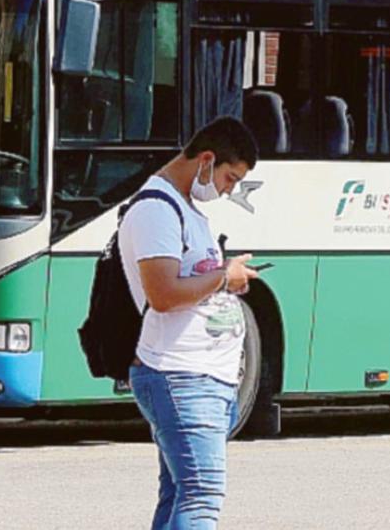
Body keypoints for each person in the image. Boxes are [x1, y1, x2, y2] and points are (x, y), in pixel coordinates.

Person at [119, 117, 262, 529]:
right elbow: (163, 295)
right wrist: (223, 277)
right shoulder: (156, 210)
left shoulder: (183, 208)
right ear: (206, 160)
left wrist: (225, 280)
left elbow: (187, 283)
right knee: (201, 495)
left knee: (181, 493)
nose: (229, 190)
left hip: (198, 376)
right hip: (181, 375)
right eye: (230, 178)